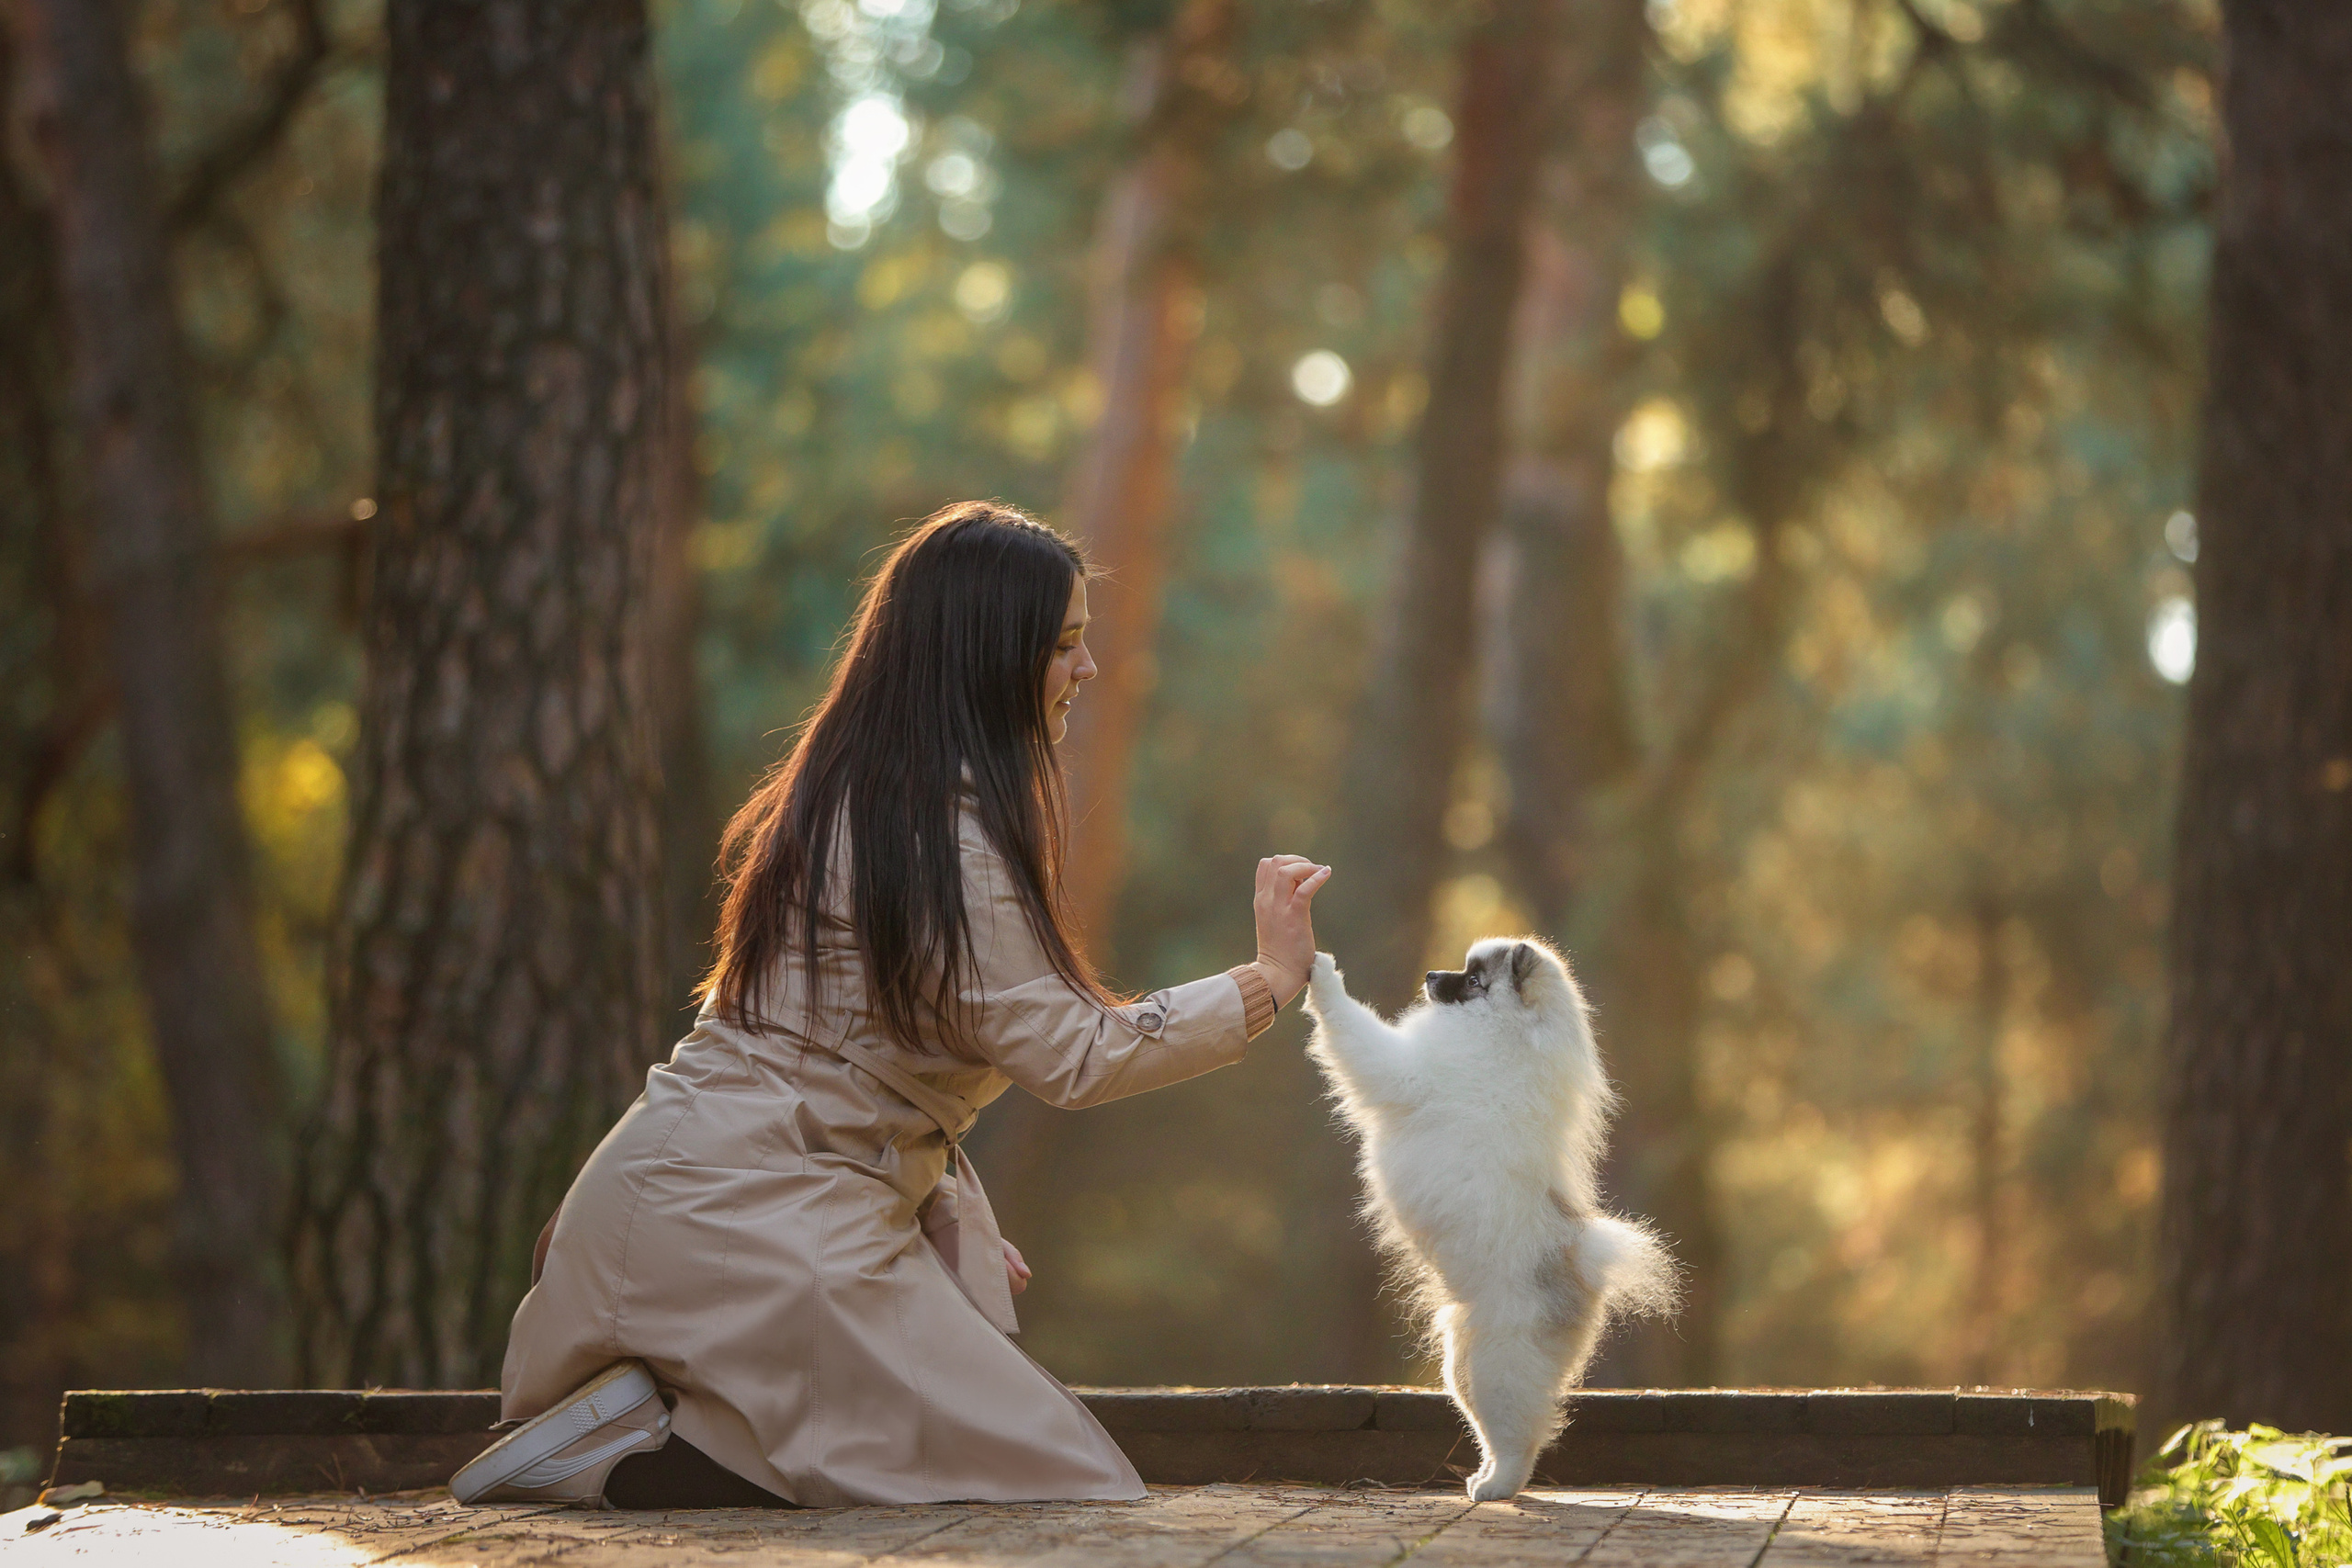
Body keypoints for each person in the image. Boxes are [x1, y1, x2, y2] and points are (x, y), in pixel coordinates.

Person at [451, 502, 1331, 1510]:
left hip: (704, 1210)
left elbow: (856, 1066)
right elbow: (1079, 1056)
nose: (1085, 672)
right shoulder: (940, 842)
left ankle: (652, 1440)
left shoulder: (854, 795)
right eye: (1065, 646)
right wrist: (1268, 979)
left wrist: (931, 1206)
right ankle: (624, 1453)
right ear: (989, 659)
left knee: (957, 1472)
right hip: (746, 1232)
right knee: (1055, 1484)